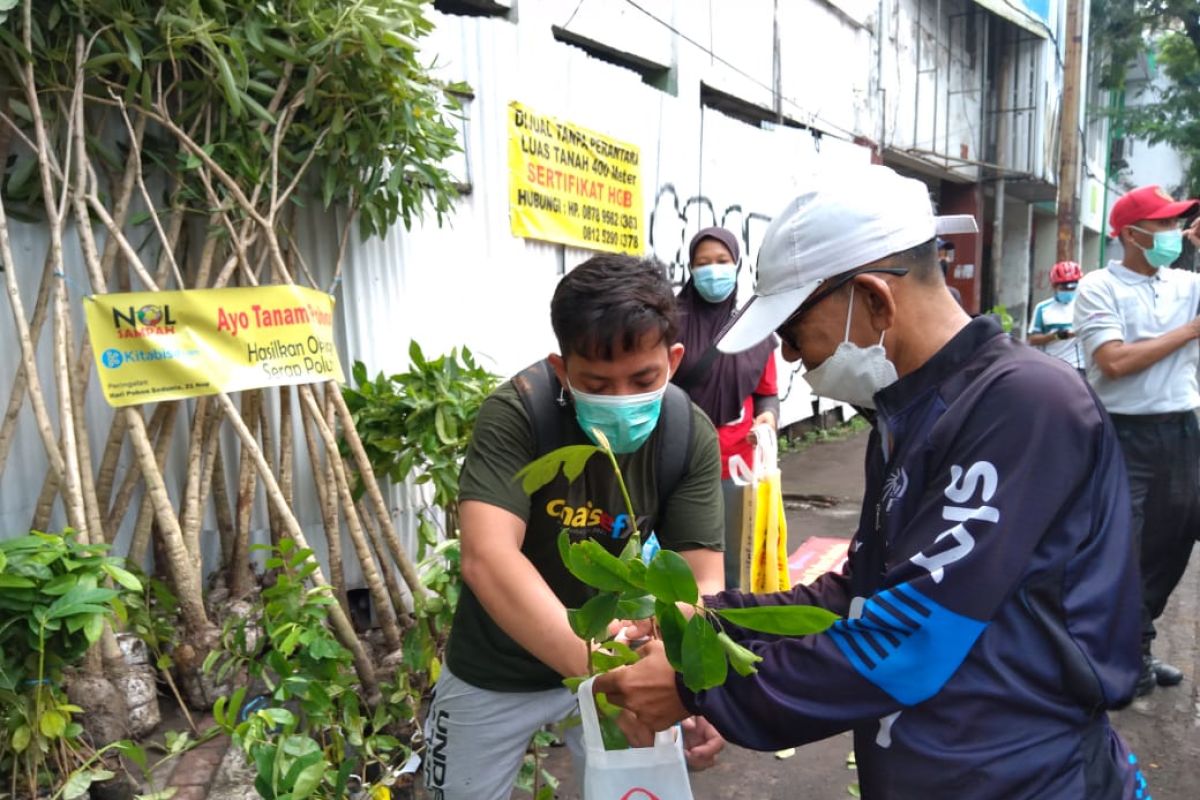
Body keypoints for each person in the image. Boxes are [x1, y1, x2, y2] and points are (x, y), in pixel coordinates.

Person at [595, 165, 1143, 799]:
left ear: (875, 299)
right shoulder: (907, 417)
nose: (793, 359)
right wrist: (711, 622)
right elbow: (862, 594)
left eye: (795, 333)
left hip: (1023, 775)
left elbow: (911, 637)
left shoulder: (1023, 405)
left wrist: (696, 687)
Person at [423, 254, 726, 800]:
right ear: (562, 370)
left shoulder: (687, 432)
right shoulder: (518, 414)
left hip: (621, 658)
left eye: (643, 378)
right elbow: (487, 557)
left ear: (674, 360)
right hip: (499, 665)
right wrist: (602, 665)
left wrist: (690, 679)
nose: (621, 400)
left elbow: (702, 578)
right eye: (597, 383)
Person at [1074, 184, 1200, 697]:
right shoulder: (1098, 286)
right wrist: (1190, 332)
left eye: (1178, 224)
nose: (1173, 233)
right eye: (1165, 224)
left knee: (1171, 548)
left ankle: (1139, 648)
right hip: (1124, 434)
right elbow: (1115, 362)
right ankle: (1107, 657)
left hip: (1182, 431)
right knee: (1121, 549)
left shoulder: (1188, 283)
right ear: (1132, 233)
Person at [673, 227, 779, 588]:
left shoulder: (754, 323)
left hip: (737, 463)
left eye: (722, 261)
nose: (713, 270)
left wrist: (770, 416)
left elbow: (767, 392)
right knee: (681, 554)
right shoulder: (669, 322)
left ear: (737, 264)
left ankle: (727, 626)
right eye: (702, 263)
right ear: (690, 268)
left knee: (734, 558)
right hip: (680, 456)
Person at [1028, 261, 1085, 376]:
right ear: (1054, 286)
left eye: (1073, 286)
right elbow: (1033, 339)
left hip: (1079, 368)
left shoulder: (1084, 305)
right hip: (1051, 366)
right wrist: (1057, 335)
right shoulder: (1043, 308)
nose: (1069, 291)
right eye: (1064, 287)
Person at [937, 237, 963, 306]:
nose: (944, 259)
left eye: (945, 255)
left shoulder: (952, 294)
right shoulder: (917, 294)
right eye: (939, 255)